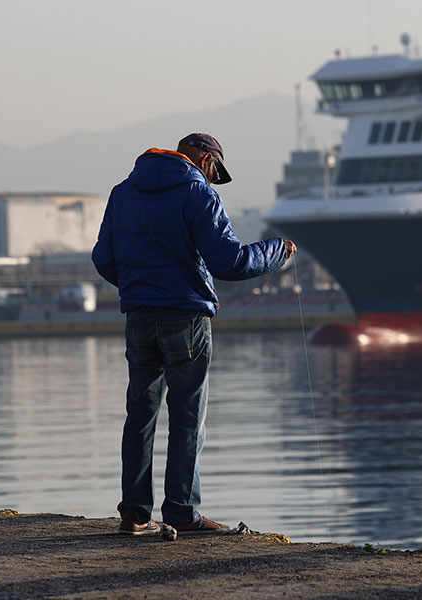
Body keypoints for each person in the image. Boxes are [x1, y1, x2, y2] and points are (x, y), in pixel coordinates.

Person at [92, 133, 296, 536]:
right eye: (215, 169)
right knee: (188, 418)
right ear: (204, 159)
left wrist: (138, 288)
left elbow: (103, 258)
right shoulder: (197, 194)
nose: (213, 177)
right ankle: (182, 514)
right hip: (185, 319)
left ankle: (134, 516)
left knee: (140, 415)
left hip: (138, 318)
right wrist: (276, 251)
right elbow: (230, 261)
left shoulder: (123, 192)